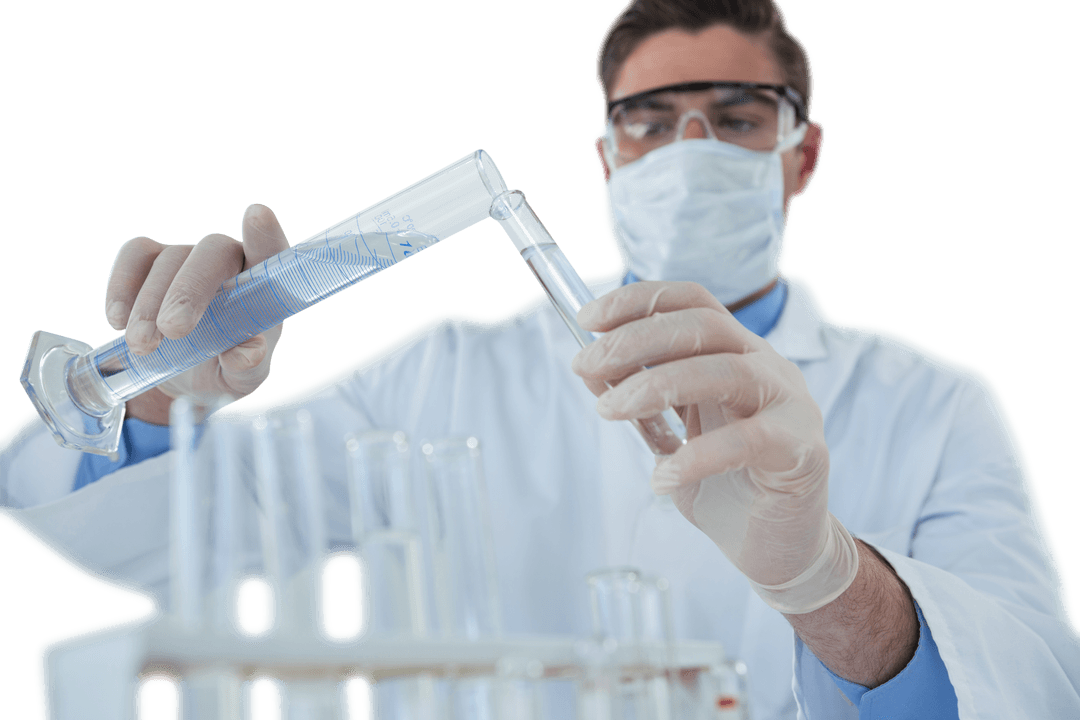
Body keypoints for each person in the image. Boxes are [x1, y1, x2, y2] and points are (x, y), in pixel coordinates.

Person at [1, 1, 1078, 718]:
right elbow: (188, 541)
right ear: (606, 160)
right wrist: (153, 394)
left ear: (804, 153)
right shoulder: (445, 373)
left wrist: (828, 579)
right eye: (651, 124)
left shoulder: (939, 399)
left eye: (738, 117)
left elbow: (1034, 685)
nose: (690, 152)